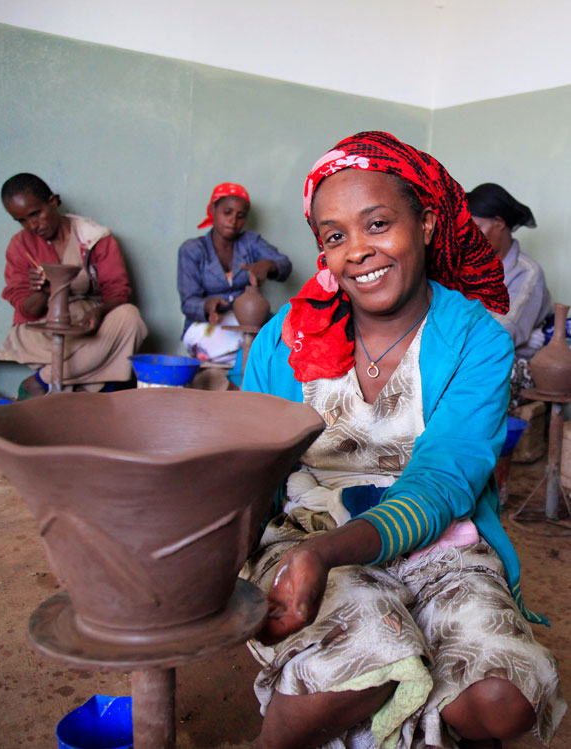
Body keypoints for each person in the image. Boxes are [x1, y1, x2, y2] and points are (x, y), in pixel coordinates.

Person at [241, 133, 566, 749]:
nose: (358, 251)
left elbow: (444, 478)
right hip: (302, 535)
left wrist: (333, 553)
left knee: (502, 699)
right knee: (363, 658)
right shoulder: (287, 340)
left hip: (437, 538)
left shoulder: (476, 340)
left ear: (425, 223)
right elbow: (248, 468)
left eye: (378, 223)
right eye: (335, 236)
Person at [0, 173, 148, 396]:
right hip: (44, 329)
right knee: (101, 349)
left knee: (131, 319)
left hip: (87, 324)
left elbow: (118, 292)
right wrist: (44, 291)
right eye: (21, 220)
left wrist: (100, 312)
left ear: (53, 202)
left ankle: (43, 380)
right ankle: (100, 378)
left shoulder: (95, 238)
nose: (32, 225)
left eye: (35, 213)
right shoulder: (20, 246)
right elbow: (26, 310)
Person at [177, 183, 292, 365]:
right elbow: (188, 303)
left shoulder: (250, 242)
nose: (233, 220)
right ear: (213, 210)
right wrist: (207, 305)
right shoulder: (192, 250)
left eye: (240, 216)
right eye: (227, 212)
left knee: (280, 336)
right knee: (256, 345)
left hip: (245, 322)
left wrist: (269, 265)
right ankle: (241, 376)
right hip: (206, 325)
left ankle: (241, 373)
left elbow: (285, 265)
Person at [466, 184, 551, 408]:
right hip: (472, 354)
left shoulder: (527, 272)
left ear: (499, 222)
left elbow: (502, 333)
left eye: (476, 227)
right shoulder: (467, 268)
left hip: (515, 365)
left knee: (477, 376)